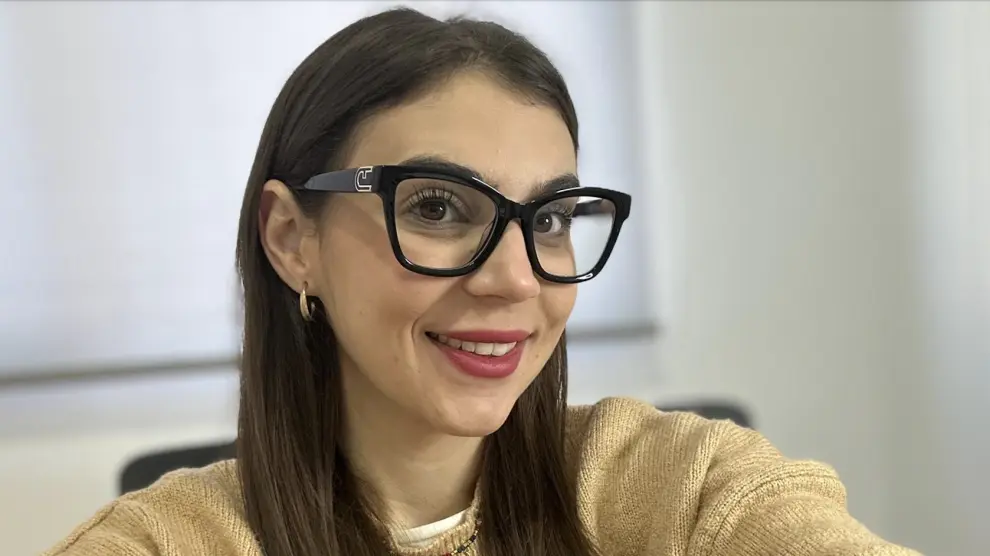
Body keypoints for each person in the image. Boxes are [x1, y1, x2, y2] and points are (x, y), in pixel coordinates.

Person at [44, 7, 921, 556]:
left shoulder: (678, 491)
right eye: (436, 207)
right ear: (289, 238)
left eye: (550, 219)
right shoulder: (170, 542)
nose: (515, 281)